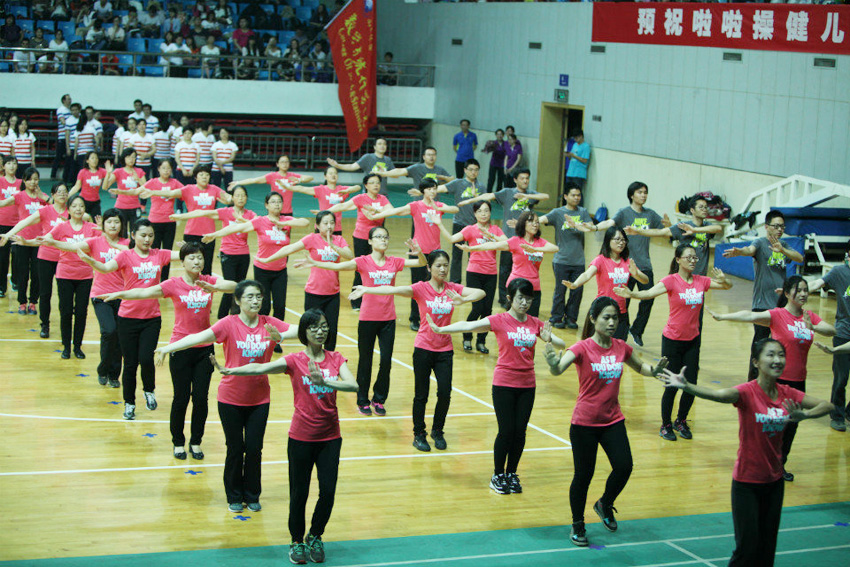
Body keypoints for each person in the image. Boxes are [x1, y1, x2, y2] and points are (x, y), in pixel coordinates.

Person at [659, 339, 832, 566]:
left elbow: (828, 406)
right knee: (746, 549)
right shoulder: (747, 392)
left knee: (767, 550)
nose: (777, 360)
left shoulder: (788, 394)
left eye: (781, 355)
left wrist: (805, 415)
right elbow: (718, 394)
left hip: (774, 483)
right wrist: (687, 386)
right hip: (746, 484)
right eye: (770, 355)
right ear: (756, 362)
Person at [210, 308, 357, 565]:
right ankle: (296, 540)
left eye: (324, 326)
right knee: (299, 493)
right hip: (301, 437)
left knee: (328, 492)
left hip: (330, 438)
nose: (320, 331)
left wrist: (325, 382)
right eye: (314, 327)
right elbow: (260, 367)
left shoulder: (336, 359)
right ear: (304, 332)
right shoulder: (294, 360)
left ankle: (315, 535)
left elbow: (353, 385)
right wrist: (231, 371)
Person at [156, 279, 297, 512]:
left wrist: (281, 337)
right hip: (230, 398)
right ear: (238, 300)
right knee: (235, 448)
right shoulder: (228, 324)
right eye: (250, 296)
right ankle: (234, 496)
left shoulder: (269, 323)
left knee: (254, 449)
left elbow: (299, 331)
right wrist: (167, 348)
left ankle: (252, 494)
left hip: (260, 399)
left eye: (259, 296)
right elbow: (198, 337)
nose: (255, 301)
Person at [544, 296, 670, 547]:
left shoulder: (621, 347)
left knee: (624, 466)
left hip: (613, 420)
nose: (612, 323)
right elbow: (558, 369)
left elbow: (640, 367)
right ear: (593, 319)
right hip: (584, 424)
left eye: (615, 318)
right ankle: (578, 524)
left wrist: (654, 371)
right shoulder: (582, 348)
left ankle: (604, 503)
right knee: (583, 476)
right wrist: (552, 364)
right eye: (606, 318)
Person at [427, 277, 565, 495]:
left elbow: (561, 343)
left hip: (527, 385)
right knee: (506, 431)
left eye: (528, 299)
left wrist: (548, 339)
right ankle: (498, 475)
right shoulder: (500, 320)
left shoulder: (535, 323)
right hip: (504, 384)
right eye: (520, 298)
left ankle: (512, 473)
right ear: (510, 298)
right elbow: (469, 325)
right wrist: (440, 329)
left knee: (520, 432)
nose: (524, 303)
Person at [102, 242, 236, 459]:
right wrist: (120, 294)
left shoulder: (209, 281)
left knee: (200, 398)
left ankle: (196, 441)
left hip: (204, 349)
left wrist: (217, 288)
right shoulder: (173, 284)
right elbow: (145, 292)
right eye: (191, 257)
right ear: (182, 262)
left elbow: (235, 286)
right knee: (181, 398)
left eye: (200, 257)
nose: (196, 261)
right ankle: (178, 442)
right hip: (180, 348)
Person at [352, 250, 485, 451]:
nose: (442, 269)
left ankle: (437, 431)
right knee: (421, 395)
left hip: (445, 350)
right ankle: (419, 434)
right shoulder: (420, 289)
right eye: (438, 265)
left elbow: (481, 292)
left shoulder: (453, 288)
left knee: (445, 393)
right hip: (423, 348)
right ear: (429, 268)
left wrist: (463, 300)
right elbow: (393, 289)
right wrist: (367, 289)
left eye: (446, 265)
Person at [708, 276, 835, 481]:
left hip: (798, 382)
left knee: (791, 426)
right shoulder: (777, 315)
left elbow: (832, 330)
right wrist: (723, 316)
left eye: (805, 290)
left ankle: (779, 465)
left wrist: (813, 327)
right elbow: (750, 315)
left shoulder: (809, 317)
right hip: (777, 382)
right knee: (772, 426)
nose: (803, 294)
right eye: (799, 290)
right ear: (787, 293)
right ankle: (761, 463)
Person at [297, 227, 425, 416]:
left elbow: (421, 263)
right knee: (365, 361)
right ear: (370, 241)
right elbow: (338, 266)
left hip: (388, 319)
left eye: (385, 236)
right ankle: (362, 399)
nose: (383, 240)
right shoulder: (363, 262)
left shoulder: (394, 262)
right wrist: (315, 262)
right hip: (367, 319)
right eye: (379, 237)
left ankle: (379, 398)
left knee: (386, 361)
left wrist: (419, 252)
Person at [615, 244, 733, 441]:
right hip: (672, 340)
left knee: (690, 385)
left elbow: (727, 286)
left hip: (692, 341)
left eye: (695, 258)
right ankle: (666, 425)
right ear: (678, 260)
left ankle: (681, 421)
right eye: (688, 257)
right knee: (671, 385)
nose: (693, 261)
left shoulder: (701, 281)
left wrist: (724, 279)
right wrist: (632, 294)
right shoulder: (671, 281)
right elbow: (649, 293)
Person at [78, 219, 181, 420]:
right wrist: (89, 260)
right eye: (143, 235)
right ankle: (129, 404)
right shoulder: (125, 255)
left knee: (146, 358)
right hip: (127, 318)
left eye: (150, 235)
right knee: (131, 364)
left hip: (151, 318)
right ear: (133, 235)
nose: (147, 239)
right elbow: (105, 268)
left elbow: (183, 255)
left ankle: (149, 390)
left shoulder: (159, 254)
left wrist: (189, 248)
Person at [202, 192, 309, 327]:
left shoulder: (286, 220)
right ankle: (262, 332)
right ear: (266, 205)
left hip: (280, 271)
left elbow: (305, 222)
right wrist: (214, 234)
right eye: (273, 202)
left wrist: (284, 222)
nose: (277, 204)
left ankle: (278, 335)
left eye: (279, 202)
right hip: (262, 270)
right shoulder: (260, 221)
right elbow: (237, 227)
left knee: (280, 306)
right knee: (264, 307)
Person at [47, 208, 128, 386]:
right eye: (109, 222)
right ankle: (103, 369)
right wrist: (52, 242)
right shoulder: (94, 242)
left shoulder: (127, 244)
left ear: (122, 225)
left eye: (116, 222)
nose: (113, 225)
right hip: (101, 295)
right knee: (109, 331)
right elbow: (72, 246)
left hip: (123, 296)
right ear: (103, 225)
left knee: (120, 336)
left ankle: (114, 375)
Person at [366, 179, 459, 331]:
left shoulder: (439, 206)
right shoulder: (416, 206)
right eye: (429, 189)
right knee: (418, 286)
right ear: (423, 191)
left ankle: (431, 318)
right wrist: (376, 215)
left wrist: (438, 207)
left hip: (435, 253)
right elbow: (396, 211)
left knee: (434, 288)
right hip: (418, 252)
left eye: (434, 188)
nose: (432, 191)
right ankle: (414, 318)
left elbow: (455, 209)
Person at [722, 210, 804, 379]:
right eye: (776, 226)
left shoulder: (784, 245)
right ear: (767, 227)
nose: (779, 230)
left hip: (781, 306)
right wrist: (740, 251)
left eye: (782, 227)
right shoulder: (760, 242)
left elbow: (799, 258)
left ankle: (775, 380)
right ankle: (753, 381)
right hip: (762, 304)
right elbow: (750, 249)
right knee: (759, 344)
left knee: (781, 344)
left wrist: (783, 250)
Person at [255, 211, 353, 351]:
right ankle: (311, 357)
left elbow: (349, 255)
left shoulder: (339, 240)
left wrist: (333, 245)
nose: (329, 226)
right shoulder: (312, 238)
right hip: (313, 293)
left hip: (333, 294)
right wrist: (267, 259)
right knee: (311, 329)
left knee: (331, 329)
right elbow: (289, 248)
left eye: (332, 223)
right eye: (325, 223)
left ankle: (329, 359)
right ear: (317, 225)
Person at [596, 182, 665, 347]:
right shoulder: (623, 213)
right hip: (624, 265)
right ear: (632, 195)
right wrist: (594, 227)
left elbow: (663, 230)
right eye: (640, 192)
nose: (643, 195)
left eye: (645, 192)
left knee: (648, 298)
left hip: (644, 265)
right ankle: (620, 331)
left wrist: (668, 224)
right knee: (623, 301)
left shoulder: (650, 214)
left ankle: (637, 330)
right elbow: (610, 223)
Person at [171, 186, 256, 319]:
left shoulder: (250, 214)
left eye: (243, 195)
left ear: (246, 198)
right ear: (232, 198)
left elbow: (259, 224)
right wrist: (181, 216)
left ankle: (236, 318)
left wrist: (243, 220)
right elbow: (201, 212)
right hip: (227, 254)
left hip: (243, 254)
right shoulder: (226, 212)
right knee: (229, 287)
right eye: (237, 195)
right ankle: (222, 317)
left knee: (239, 288)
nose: (240, 198)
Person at [457, 210, 558, 319]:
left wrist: (535, 249)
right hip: (517, 285)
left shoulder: (540, 242)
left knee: (532, 321)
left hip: (534, 286)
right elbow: (493, 245)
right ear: (523, 224)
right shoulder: (516, 241)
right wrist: (471, 248)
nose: (535, 224)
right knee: (513, 320)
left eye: (537, 222)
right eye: (531, 221)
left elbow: (555, 248)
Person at [36, 195, 100, 358]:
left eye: (81, 206)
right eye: (75, 206)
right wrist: (27, 241)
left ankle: (77, 346)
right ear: (69, 209)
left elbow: (106, 242)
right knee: (65, 312)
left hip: (85, 276)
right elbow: (46, 240)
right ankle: (66, 346)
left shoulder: (92, 228)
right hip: (65, 274)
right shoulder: (61, 227)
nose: (78, 209)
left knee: (81, 312)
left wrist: (103, 229)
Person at [438, 200, 505, 353]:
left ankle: (481, 342)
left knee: (487, 310)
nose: (483, 214)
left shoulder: (495, 229)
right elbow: (451, 239)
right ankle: (467, 337)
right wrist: (439, 223)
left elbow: (506, 242)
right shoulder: (470, 229)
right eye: (480, 211)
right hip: (474, 272)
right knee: (477, 307)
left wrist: (491, 236)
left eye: (486, 211)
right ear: (475, 214)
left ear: (490, 213)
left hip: (491, 274)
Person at [478, 169, 549, 309]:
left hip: (525, 241)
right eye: (522, 178)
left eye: (527, 178)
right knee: (505, 269)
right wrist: (474, 199)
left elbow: (545, 196)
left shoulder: (530, 195)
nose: (525, 181)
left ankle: (521, 296)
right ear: (515, 179)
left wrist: (526, 196)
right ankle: (504, 298)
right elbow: (491, 195)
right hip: (509, 239)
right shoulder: (507, 192)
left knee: (522, 270)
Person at [144, 164, 232, 276]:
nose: (204, 177)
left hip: (209, 234)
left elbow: (228, 197)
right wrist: (153, 192)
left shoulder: (214, 189)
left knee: (206, 267)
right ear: (195, 177)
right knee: (190, 266)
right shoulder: (189, 189)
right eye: (201, 174)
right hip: (191, 233)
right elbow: (171, 193)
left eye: (207, 175)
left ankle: (205, 287)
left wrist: (230, 198)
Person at [564, 227, 649, 340]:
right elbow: (587, 274)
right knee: (597, 346)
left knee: (618, 346)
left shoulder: (627, 262)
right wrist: (575, 284)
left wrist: (636, 274)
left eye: (623, 240)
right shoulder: (600, 260)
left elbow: (645, 280)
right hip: (602, 310)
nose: (621, 243)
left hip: (620, 312)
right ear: (608, 240)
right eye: (617, 239)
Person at [322, 173, 392, 310]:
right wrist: (325, 212)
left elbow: (391, 210)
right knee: (361, 268)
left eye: (378, 183)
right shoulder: (361, 198)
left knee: (377, 268)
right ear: (366, 185)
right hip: (361, 237)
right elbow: (343, 206)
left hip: (378, 239)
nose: (376, 185)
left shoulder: (383, 199)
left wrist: (375, 210)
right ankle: (356, 301)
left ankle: (373, 298)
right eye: (372, 183)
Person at [0, 177, 63, 322]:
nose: (33, 182)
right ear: (24, 181)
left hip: (39, 242)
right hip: (22, 240)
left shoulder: (44, 198)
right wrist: (9, 235)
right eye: (30, 179)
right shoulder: (20, 196)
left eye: (36, 179)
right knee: (22, 275)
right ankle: (22, 302)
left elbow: (59, 208)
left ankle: (33, 302)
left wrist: (44, 197)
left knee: (36, 275)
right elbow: (4, 204)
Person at [623, 195, 722, 278]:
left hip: (701, 275)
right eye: (701, 207)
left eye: (705, 207)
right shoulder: (683, 226)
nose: (704, 209)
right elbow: (661, 232)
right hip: (684, 274)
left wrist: (694, 230)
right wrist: (638, 231)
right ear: (692, 210)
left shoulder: (707, 226)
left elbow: (718, 228)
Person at [809, 239, 850, 431]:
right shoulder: (839, 272)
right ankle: (837, 415)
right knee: (841, 378)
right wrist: (794, 291)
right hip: (844, 333)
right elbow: (817, 283)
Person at [539, 183, 592, 330]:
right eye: (573, 195)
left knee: (577, 291)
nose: (576, 198)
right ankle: (556, 317)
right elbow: (543, 219)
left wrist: (576, 225)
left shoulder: (583, 212)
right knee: (560, 291)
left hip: (578, 261)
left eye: (578, 195)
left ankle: (571, 318)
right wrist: (529, 220)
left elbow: (590, 227)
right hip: (561, 260)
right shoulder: (558, 213)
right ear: (566, 196)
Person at [439, 158, 484, 284]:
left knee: (475, 255)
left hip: (475, 226)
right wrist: (426, 190)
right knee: (457, 256)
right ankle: (455, 282)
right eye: (471, 169)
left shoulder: (481, 187)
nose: (473, 172)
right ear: (465, 170)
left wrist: (476, 196)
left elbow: (485, 204)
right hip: (459, 223)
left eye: (476, 170)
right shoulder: (458, 183)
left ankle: (473, 281)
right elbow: (442, 188)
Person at [229, 154, 314, 219]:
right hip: (273, 210)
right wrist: (238, 182)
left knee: (286, 236)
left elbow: (310, 178)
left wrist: (299, 180)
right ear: (277, 164)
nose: (285, 164)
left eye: (286, 162)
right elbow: (254, 180)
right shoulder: (272, 176)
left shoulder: (292, 176)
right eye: (282, 162)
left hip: (287, 211)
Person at [139, 159, 183, 280]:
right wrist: (122, 192)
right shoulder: (152, 182)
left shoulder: (175, 183)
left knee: (167, 253)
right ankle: (153, 279)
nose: (166, 171)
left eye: (168, 168)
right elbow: (139, 190)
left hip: (170, 222)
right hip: (154, 222)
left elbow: (185, 193)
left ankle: (164, 281)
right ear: (158, 169)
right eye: (163, 168)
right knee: (154, 252)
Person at [295, 166, 361, 235]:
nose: (333, 175)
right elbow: (301, 188)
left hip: (336, 228)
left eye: (335, 173)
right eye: (330, 173)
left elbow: (357, 187)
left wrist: (347, 190)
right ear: (325, 176)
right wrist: (289, 186)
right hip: (322, 226)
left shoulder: (342, 190)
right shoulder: (320, 189)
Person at [327, 138, 395, 196]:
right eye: (379, 144)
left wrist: (385, 173)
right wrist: (337, 165)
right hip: (368, 195)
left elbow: (395, 175)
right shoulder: (368, 157)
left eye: (384, 144)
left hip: (383, 195)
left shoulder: (388, 160)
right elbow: (352, 167)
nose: (382, 146)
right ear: (375, 147)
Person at [379, 146, 452, 194]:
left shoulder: (440, 169)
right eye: (429, 155)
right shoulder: (417, 168)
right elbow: (400, 171)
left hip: (435, 204)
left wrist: (445, 178)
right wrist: (384, 173)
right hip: (419, 203)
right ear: (424, 157)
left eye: (433, 155)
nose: (431, 157)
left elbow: (452, 181)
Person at [105, 148, 146, 224]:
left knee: (136, 229)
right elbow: (105, 187)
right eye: (128, 157)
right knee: (122, 230)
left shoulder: (139, 171)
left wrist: (138, 179)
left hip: (135, 206)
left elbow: (146, 188)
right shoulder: (118, 171)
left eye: (133, 157)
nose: (131, 159)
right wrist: (108, 173)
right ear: (124, 158)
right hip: (121, 206)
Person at [0, 157, 22, 299]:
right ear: (3, 166)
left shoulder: (21, 183)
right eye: (9, 163)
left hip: (18, 224)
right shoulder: (0, 181)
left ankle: (15, 281)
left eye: (14, 163)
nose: (12, 166)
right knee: (2, 257)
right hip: (2, 223)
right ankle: (1, 287)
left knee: (17, 255)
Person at [69, 151, 111, 218]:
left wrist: (109, 173)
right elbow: (77, 186)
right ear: (87, 161)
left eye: (96, 158)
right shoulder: (82, 172)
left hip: (95, 201)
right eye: (92, 158)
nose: (95, 160)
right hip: (83, 201)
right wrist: (68, 195)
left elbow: (106, 186)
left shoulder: (102, 171)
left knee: (97, 221)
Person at [51, 94, 73, 180]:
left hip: (70, 137)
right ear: (64, 100)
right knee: (58, 157)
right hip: (62, 137)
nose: (70, 100)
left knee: (69, 157)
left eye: (70, 99)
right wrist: (71, 124)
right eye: (68, 99)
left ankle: (66, 176)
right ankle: (53, 175)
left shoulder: (71, 110)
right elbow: (63, 122)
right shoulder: (61, 109)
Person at [483, 129, 507, 194]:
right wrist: (487, 148)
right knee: (491, 179)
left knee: (500, 180)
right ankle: (488, 193)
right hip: (493, 163)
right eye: (498, 134)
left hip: (502, 164)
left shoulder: (506, 143)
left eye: (501, 134)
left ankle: (497, 195)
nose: (499, 136)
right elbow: (486, 151)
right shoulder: (493, 143)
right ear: (496, 135)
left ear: (503, 135)